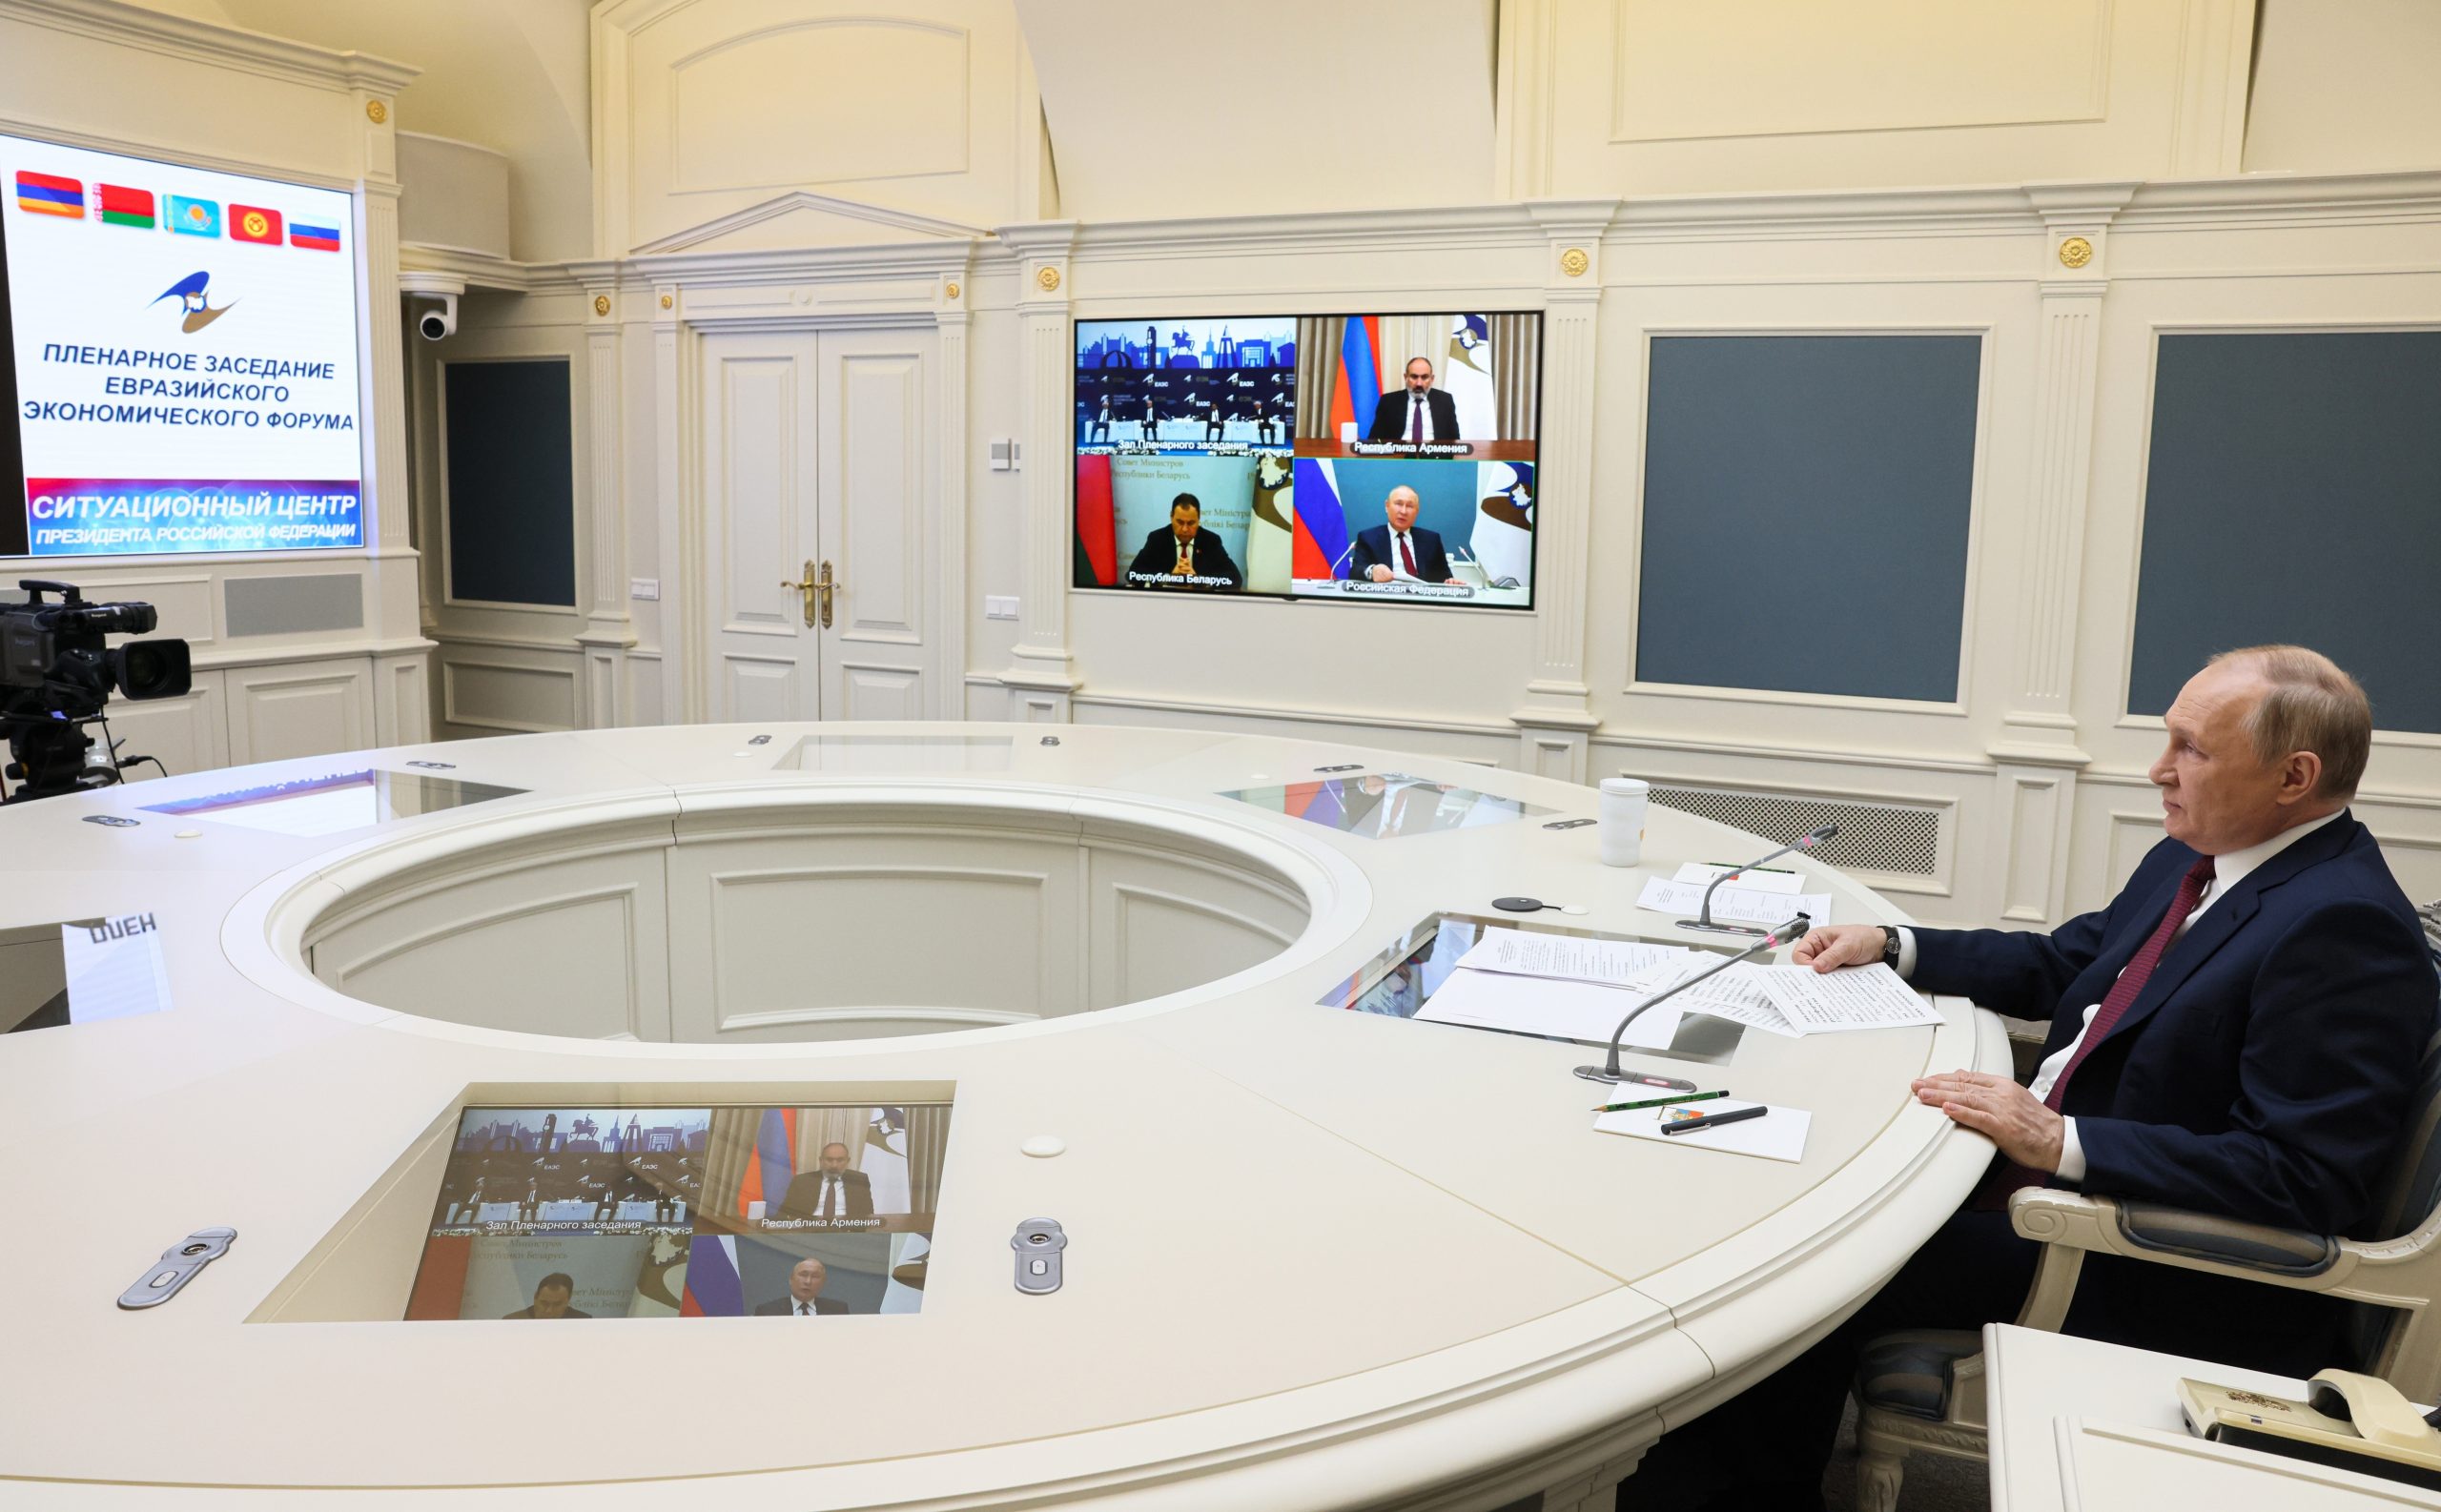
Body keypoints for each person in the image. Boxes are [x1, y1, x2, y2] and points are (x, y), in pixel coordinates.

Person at [1628, 645, 2435, 1512]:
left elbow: (2303, 1178)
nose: (2159, 770)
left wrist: (2060, 1140)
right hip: (2050, 1178)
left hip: (2144, 1258)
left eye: (2192, 750)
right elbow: (2071, 961)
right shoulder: (2209, 850)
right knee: (1797, 1184)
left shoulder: (2343, 925)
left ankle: (1717, 1491)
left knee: (1811, 1265)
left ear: (2294, 776)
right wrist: (1901, 946)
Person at [1346, 486, 1460, 585]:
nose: (1404, 511)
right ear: (1387, 506)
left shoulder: (1431, 540)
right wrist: (1372, 571)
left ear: (1417, 511)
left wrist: (1450, 582)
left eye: (1410, 506)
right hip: (1385, 601)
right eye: (1398, 504)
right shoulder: (1368, 537)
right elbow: (1355, 572)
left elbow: (1445, 577)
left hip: (1423, 602)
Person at [1124, 494, 1242, 588]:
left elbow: (1235, 579)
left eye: (1191, 523)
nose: (1185, 529)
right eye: (1180, 522)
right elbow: (1133, 574)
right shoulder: (1157, 539)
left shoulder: (1210, 541)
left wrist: (1198, 580)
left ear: (1199, 518)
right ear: (1171, 517)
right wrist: (1168, 578)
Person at [1364, 358, 1458, 442]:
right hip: (1398, 456)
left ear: (1432, 379)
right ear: (1406, 377)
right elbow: (1375, 439)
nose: (1419, 383)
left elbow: (1455, 439)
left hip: (1435, 456)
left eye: (1424, 377)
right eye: (1414, 377)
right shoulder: (1389, 401)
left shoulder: (1445, 400)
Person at [779, 1142, 876, 1220]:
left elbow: (868, 1214)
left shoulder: (859, 1180)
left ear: (848, 1161)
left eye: (840, 1160)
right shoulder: (802, 1181)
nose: (834, 1165)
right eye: (829, 1160)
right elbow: (785, 1214)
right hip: (810, 1231)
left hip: (846, 1232)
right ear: (821, 1160)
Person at [754, 1257, 849, 1317]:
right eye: (803, 1275)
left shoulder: (838, 1310)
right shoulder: (767, 1311)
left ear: (823, 1283)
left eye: (815, 1276)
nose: (808, 1281)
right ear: (791, 1279)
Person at [502, 1273, 590, 1319]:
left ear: (568, 1300)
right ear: (535, 1297)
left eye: (557, 1305)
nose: (549, 1311)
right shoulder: (512, 1320)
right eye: (544, 1303)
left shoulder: (584, 1321)